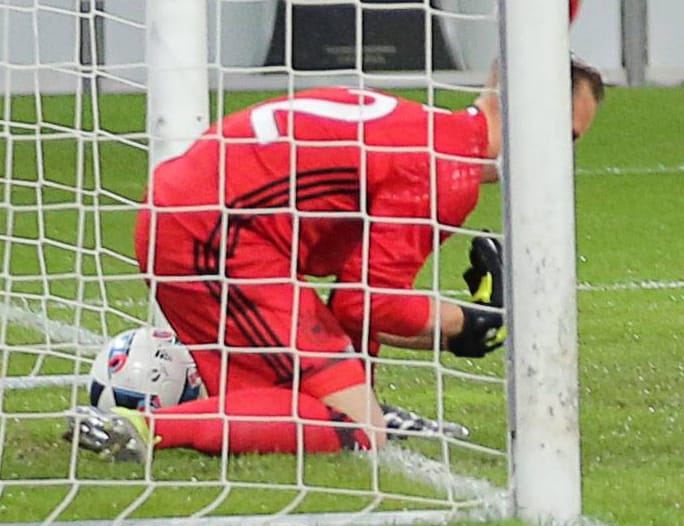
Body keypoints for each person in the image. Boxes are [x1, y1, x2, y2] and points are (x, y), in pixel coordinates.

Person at [66, 58, 606, 463]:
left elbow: (351, 301)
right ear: (535, 111)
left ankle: (152, 419)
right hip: (217, 237)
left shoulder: (431, 133)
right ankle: (138, 426)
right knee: (358, 429)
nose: (567, 153)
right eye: (568, 136)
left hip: (187, 213)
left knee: (280, 406)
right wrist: (474, 325)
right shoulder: (446, 172)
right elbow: (369, 304)